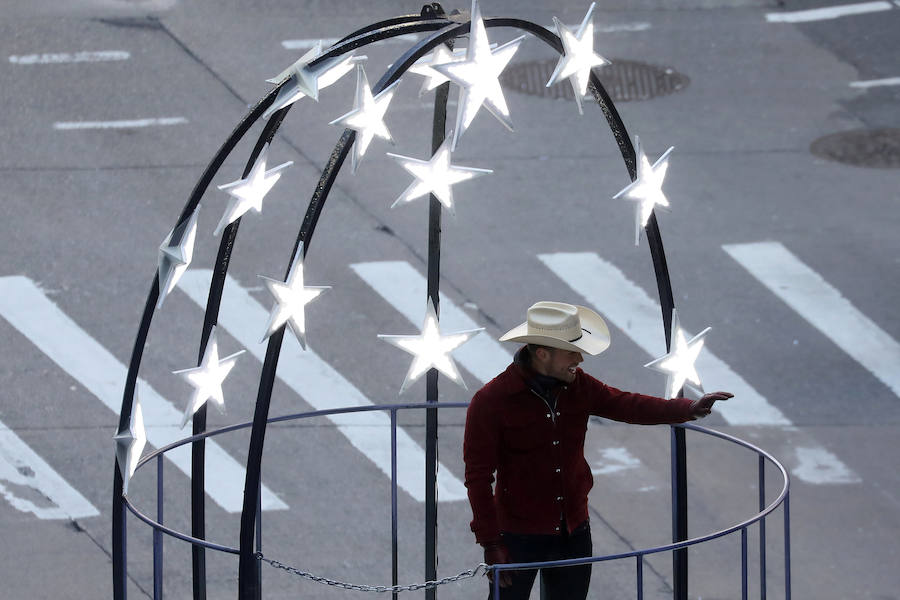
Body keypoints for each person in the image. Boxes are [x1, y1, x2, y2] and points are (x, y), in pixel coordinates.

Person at [463, 301, 732, 599]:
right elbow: (478, 477)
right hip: (516, 538)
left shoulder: (580, 386)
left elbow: (627, 404)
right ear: (543, 354)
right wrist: (490, 543)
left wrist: (687, 409)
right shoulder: (491, 401)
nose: (579, 358)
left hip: (574, 532)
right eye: (571, 352)